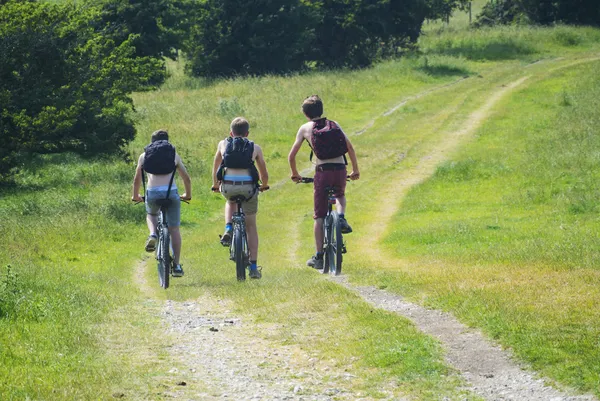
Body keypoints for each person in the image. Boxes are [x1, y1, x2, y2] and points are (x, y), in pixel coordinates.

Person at [288, 95, 360, 270]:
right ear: (322, 110)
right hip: (340, 169)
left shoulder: (305, 128)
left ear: (305, 114)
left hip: (323, 172)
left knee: (319, 215)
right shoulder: (334, 124)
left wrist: (295, 174)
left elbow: (291, 156)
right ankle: (341, 217)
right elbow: (349, 147)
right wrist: (355, 170)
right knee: (340, 195)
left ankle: (319, 256)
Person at [212, 117, 269, 279]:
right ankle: (252, 266)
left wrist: (216, 185)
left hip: (229, 186)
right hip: (249, 189)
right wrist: (264, 185)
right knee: (251, 227)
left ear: (231, 133)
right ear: (247, 133)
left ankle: (228, 227)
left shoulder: (223, 144)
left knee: (230, 200)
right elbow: (263, 171)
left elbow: (216, 166)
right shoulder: (255, 147)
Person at [132, 129, 192, 277]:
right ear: (168, 141)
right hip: (171, 193)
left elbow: (137, 180)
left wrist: (135, 196)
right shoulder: (174, 155)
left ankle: (153, 234)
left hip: (152, 193)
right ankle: (177, 266)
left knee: (151, 214)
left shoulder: (144, 156)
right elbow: (186, 178)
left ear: (152, 142)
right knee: (174, 229)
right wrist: (187, 195)